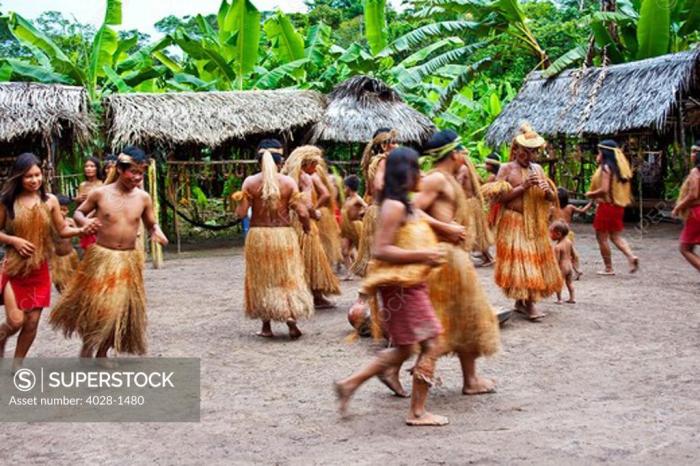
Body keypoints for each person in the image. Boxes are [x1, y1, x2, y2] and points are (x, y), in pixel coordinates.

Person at [335, 147, 448, 426]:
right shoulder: (394, 206)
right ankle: (417, 412)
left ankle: (350, 384)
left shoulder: (403, 203)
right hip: (401, 287)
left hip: (409, 284)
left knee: (404, 348)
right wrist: (424, 256)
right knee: (431, 343)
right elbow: (382, 250)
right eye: (416, 169)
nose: (420, 174)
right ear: (404, 172)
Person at [50, 146, 168, 360]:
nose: (137, 177)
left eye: (140, 172)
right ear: (121, 170)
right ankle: (88, 346)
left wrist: (156, 231)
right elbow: (79, 212)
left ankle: (103, 352)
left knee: (120, 310)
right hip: (103, 258)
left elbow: (151, 223)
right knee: (99, 308)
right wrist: (85, 223)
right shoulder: (100, 193)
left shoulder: (143, 198)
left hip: (128, 261)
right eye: (133, 172)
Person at [415, 130, 501, 395]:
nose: (465, 155)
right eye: (463, 150)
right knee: (443, 323)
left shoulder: (449, 179)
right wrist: (445, 227)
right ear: (454, 153)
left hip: (455, 259)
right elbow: (411, 209)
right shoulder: (437, 179)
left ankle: (471, 380)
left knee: (468, 319)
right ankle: (413, 379)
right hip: (443, 259)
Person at [0, 153, 98, 369]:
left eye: (37, 175)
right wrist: (14, 240)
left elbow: (62, 229)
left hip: (38, 268)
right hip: (13, 268)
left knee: (32, 321)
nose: (34, 180)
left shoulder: (50, 201)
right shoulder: (7, 202)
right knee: (16, 320)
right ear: (18, 177)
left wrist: (81, 229)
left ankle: (18, 363)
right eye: (28, 176)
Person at [232, 139, 314, 338]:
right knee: (288, 278)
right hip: (284, 236)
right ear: (280, 161)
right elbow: (303, 212)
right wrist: (307, 227)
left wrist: (240, 202)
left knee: (262, 280)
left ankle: (266, 327)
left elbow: (241, 214)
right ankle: (291, 322)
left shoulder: (250, 183)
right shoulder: (288, 183)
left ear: (258, 160)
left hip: (259, 237)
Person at [482, 124, 563, 321]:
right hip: (514, 222)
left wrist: (548, 191)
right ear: (516, 148)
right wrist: (523, 187)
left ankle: (521, 303)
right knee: (524, 262)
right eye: (523, 151)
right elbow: (498, 200)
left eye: (531, 152)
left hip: (535, 223)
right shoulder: (506, 169)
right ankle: (530, 304)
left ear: (535, 152)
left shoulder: (538, 169)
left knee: (534, 261)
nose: (526, 155)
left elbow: (551, 199)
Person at [282, 145, 340, 308]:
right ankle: (316, 296)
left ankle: (301, 295)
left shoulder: (285, 176)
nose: (315, 168)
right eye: (314, 164)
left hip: (289, 224)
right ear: (305, 163)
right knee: (313, 259)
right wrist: (315, 213)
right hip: (304, 224)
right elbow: (306, 205)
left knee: (298, 260)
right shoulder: (305, 178)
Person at [585, 140, 639, 275]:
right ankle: (631, 256)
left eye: (599, 152)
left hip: (606, 207)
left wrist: (590, 194)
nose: (597, 155)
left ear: (604, 153)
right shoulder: (618, 169)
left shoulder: (606, 168)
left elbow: (603, 189)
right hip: (617, 207)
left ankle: (608, 268)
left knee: (601, 238)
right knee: (615, 236)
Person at [352, 128, 398, 276]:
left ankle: (368, 295)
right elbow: (379, 185)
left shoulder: (375, 160)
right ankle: (366, 296)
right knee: (379, 259)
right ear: (385, 145)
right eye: (394, 142)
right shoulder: (383, 161)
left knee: (376, 258)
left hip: (375, 210)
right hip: (382, 211)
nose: (397, 146)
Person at [456, 148, 495, 266]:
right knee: (478, 233)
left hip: (468, 204)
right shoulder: (471, 169)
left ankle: (464, 259)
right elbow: (480, 182)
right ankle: (487, 257)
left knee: (467, 232)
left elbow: (457, 184)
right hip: (474, 203)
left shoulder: (462, 168)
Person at [552, 187, 592, 279]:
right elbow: (583, 211)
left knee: (559, 253)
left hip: (556, 234)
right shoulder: (570, 207)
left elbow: (545, 220)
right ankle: (576, 270)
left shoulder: (552, 209)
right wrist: (590, 203)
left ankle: (559, 272)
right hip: (567, 234)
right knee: (571, 253)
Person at [672, 142, 700, 271]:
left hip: (697, 213)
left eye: (694, 152)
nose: (691, 155)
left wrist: (678, 207)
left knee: (685, 248)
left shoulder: (696, 171)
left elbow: (693, 194)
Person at [315, 160, 343, 269]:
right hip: (330, 210)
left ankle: (327, 266)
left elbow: (326, 195)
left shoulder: (317, 178)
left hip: (322, 212)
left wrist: (314, 208)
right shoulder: (331, 180)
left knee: (324, 241)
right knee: (330, 240)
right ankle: (332, 264)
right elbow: (338, 197)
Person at [51, 195, 80, 293]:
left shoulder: (70, 221)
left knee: (74, 282)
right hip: (57, 259)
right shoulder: (50, 223)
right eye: (61, 209)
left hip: (71, 255)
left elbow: (80, 234)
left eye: (66, 209)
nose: (64, 211)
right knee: (61, 286)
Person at [340, 175, 366, 280]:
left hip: (356, 226)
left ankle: (364, 269)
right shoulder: (348, 199)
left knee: (361, 249)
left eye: (345, 187)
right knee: (344, 251)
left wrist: (361, 214)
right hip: (346, 227)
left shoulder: (357, 198)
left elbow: (367, 207)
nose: (344, 189)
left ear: (349, 187)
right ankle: (349, 272)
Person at [75, 156, 104, 252]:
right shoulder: (82, 185)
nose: (89, 169)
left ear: (97, 168)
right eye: (86, 166)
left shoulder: (102, 184)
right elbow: (79, 208)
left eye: (92, 166)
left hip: (98, 220)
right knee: (88, 249)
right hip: (85, 221)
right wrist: (78, 199)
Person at [550, 221, 576, 304]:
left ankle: (559, 299)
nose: (550, 235)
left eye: (551, 233)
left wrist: (553, 270)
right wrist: (575, 265)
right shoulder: (569, 242)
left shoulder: (558, 247)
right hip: (569, 266)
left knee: (559, 284)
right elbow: (573, 254)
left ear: (558, 234)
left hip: (562, 267)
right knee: (569, 283)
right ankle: (572, 298)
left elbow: (556, 261)